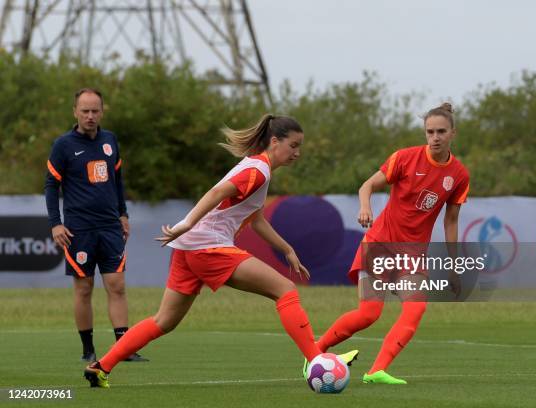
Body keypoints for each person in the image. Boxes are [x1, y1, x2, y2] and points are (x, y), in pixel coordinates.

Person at [83, 114, 358, 388]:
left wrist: (287, 249)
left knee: (164, 321)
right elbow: (216, 193)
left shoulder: (258, 169)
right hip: (208, 246)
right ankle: (317, 360)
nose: (297, 153)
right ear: (275, 141)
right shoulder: (257, 170)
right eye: (294, 145)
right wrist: (187, 222)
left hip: (191, 248)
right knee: (285, 289)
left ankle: (101, 366)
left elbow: (257, 219)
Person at [314, 103, 469, 384]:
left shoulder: (459, 175)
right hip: (380, 244)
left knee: (416, 308)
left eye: (441, 132)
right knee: (368, 314)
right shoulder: (405, 158)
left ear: (453, 133)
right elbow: (367, 185)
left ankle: (376, 371)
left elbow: (451, 221)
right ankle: (315, 353)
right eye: (429, 131)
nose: (434, 137)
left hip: (412, 254)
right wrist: (365, 207)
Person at [45, 88, 147, 363]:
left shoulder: (110, 140)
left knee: (117, 285)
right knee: (84, 287)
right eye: (85, 111)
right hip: (79, 229)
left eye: (95, 111)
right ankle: (87, 349)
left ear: (102, 111)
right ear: (75, 112)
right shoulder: (63, 145)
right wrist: (56, 224)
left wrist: (123, 214)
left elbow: (118, 180)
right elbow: (51, 185)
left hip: (110, 227)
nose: (90, 116)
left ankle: (123, 348)